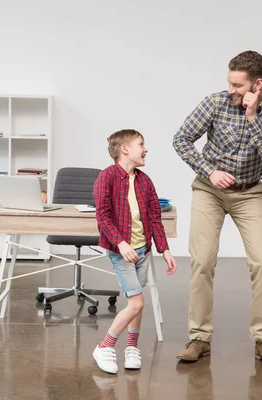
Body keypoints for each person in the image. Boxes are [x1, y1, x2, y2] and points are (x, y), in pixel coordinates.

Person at [172, 50, 262, 366]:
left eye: (238, 85)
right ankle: (199, 338)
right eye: (229, 83)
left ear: (257, 85)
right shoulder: (214, 102)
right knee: (201, 260)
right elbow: (181, 139)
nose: (231, 90)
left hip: (250, 192)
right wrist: (208, 170)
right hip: (209, 191)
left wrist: (252, 119)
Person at [92, 129, 177, 374]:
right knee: (137, 303)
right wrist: (121, 243)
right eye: (141, 144)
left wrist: (164, 249)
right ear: (125, 149)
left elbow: (154, 218)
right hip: (121, 252)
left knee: (135, 301)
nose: (146, 148)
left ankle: (132, 347)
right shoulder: (106, 178)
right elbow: (103, 217)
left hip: (143, 250)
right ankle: (105, 346)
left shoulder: (144, 181)